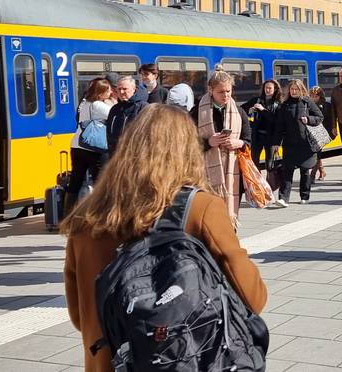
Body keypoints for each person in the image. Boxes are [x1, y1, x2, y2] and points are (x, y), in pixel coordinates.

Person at [62, 104, 267, 372]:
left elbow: (81, 316)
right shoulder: (201, 209)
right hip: (183, 361)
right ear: (188, 151)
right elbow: (253, 297)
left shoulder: (86, 216)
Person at [190, 71, 254, 223]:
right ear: (211, 90)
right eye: (221, 92)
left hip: (232, 173)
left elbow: (249, 141)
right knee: (206, 217)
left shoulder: (239, 112)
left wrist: (239, 144)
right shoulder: (197, 112)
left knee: (228, 218)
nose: (225, 95)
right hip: (205, 174)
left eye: (228, 91)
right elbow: (186, 143)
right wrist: (208, 143)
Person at [274, 80, 323, 205]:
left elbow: (319, 117)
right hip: (290, 144)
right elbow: (279, 126)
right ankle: (283, 198)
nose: (294, 91)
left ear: (301, 90)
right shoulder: (284, 106)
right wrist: (276, 143)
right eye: (292, 89)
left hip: (306, 143)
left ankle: (304, 196)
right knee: (287, 171)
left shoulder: (307, 102)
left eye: (296, 89)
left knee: (305, 171)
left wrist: (309, 119)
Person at [68, 77, 113, 205]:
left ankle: (67, 214)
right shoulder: (98, 105)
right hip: (92, 147)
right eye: (108, 90)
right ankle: (98, 213)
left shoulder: (84, 103)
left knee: (75, 181)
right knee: (99, 182)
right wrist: (113, 101)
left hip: (77, 145)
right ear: (100, 93)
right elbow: (114, 114)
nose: (110, 93)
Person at [241, 79, 283, 174]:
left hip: (270, 138)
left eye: (269, 88)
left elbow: (276, 121)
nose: (267, 90)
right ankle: (259, 185)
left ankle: (269, 184)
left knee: (269, 165)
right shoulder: (256, 100)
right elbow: (242, 109)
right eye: (265, 88)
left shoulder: (278, 104)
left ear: (275, 89)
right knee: (254, 162)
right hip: (257, 136)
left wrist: (263, 110)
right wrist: (249, 111)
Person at [104, 76, 148, 159]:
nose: (121, 92)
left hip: (136, 157)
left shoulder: (143, 108)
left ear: (134, 89)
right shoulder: (115, 109)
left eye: (125, 89)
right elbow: (109, 133)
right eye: (119, 89)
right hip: (116, 157)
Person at [308, 86, 335, 181]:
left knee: (317, 153)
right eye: (311, 95)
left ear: (320, 96)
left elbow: (331, 119)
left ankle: (312, 175)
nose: (313, 98)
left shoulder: (327, 105)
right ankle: (322, 171)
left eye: (316, 96)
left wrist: (333, 129)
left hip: (324, 132)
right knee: (317, 153)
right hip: (312, 133)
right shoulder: (308, 105)